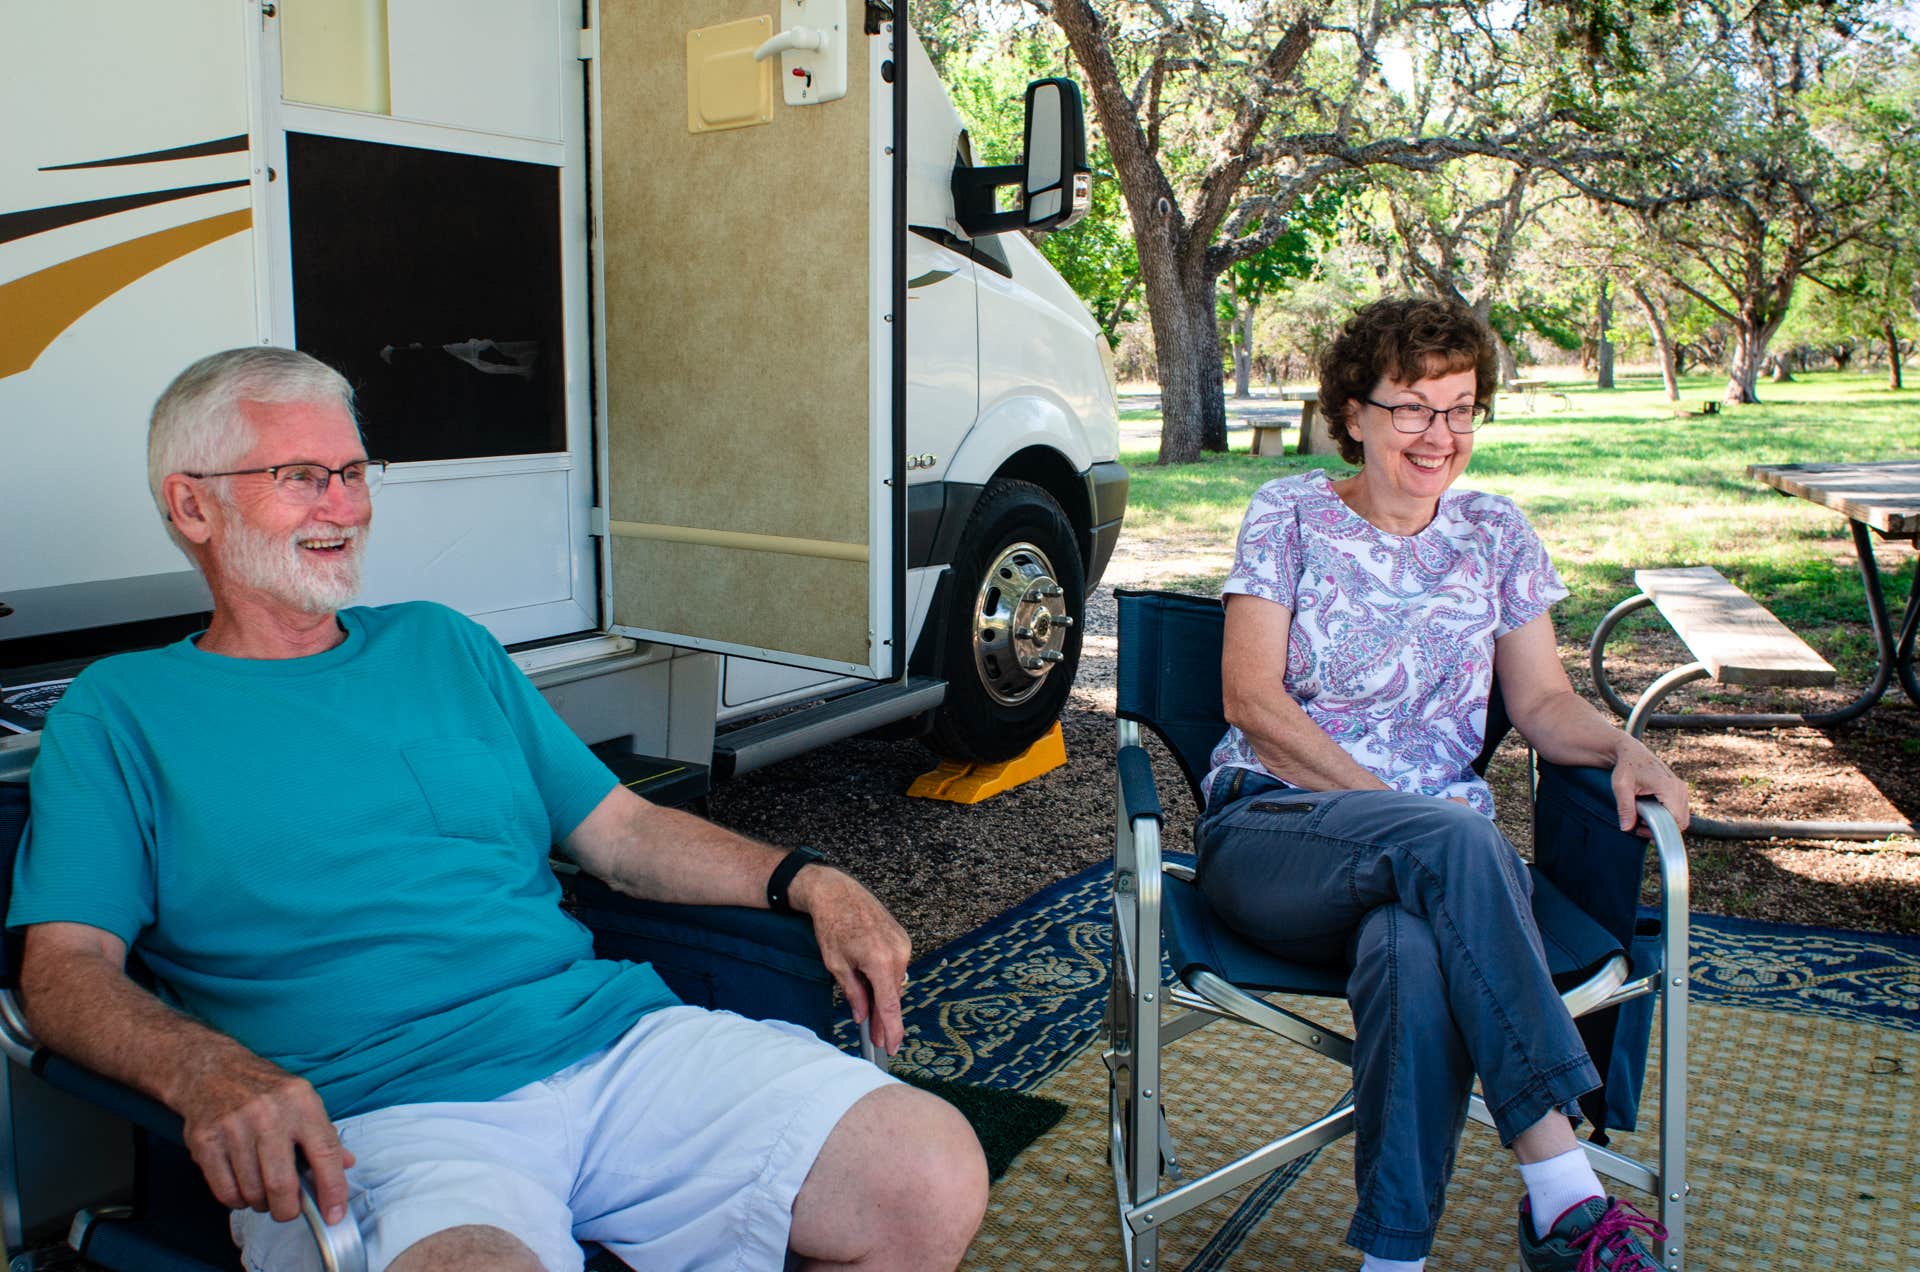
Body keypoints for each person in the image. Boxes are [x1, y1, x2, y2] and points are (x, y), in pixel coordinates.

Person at [8, 347, 988, 1272]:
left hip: (614, 1045)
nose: (344, 506)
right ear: (193, 505)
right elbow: (62, 972)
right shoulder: (121, 712)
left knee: (927, 1171)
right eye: (302, 476)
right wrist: (203, 1073)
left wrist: (810, 880)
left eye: (353, 472)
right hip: (378, 1116)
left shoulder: (442, 645)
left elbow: (623, 833)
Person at [1197, 298, 1690, 1272]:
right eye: (1414, 408)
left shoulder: (1494, 533)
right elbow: (1251, 700)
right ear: (1353, 412)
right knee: (1452, 836)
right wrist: (1393, 811)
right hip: (1280, 836)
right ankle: (1564, 1185)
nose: (1441, 435)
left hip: (1434, 883)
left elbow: (1542, 702)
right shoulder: (1288, 514)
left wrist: (1625, 747)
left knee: (1412, 949)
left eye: (1461, 409)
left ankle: (1393, 1259)